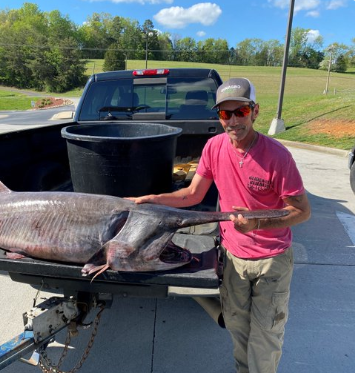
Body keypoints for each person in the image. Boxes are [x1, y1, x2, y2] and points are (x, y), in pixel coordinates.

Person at [128, 78, 311, 373]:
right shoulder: (214, 147)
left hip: (272, 261)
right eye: (226, 114)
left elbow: (302, 212)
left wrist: (258, 222)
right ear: (219, 117)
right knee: (238, 329)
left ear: (255, 111)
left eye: (240, 111)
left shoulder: (277, 157)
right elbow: (192, 195)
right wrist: (152, 199)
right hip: (233, 258)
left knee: (265, 338)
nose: (234, 120)